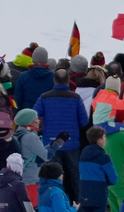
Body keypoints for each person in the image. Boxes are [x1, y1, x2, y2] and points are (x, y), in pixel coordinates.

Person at [33, 68, 87, 202]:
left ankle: (56, 203)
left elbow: (34, 115)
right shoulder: (76, 98)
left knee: (53, 177)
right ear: (69, 81)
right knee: (74, 176)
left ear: (54, 80)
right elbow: (84, 121)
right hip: (72, 143)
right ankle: (77, 203)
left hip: (51, 145)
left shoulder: (45, 97)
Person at [78, 126, 117, 212]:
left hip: (84, 192)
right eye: (104, 137)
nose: (105, 139)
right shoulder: (103, 157)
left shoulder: (83, 154)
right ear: (99, 139)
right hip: (99, 193)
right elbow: (113, 178)